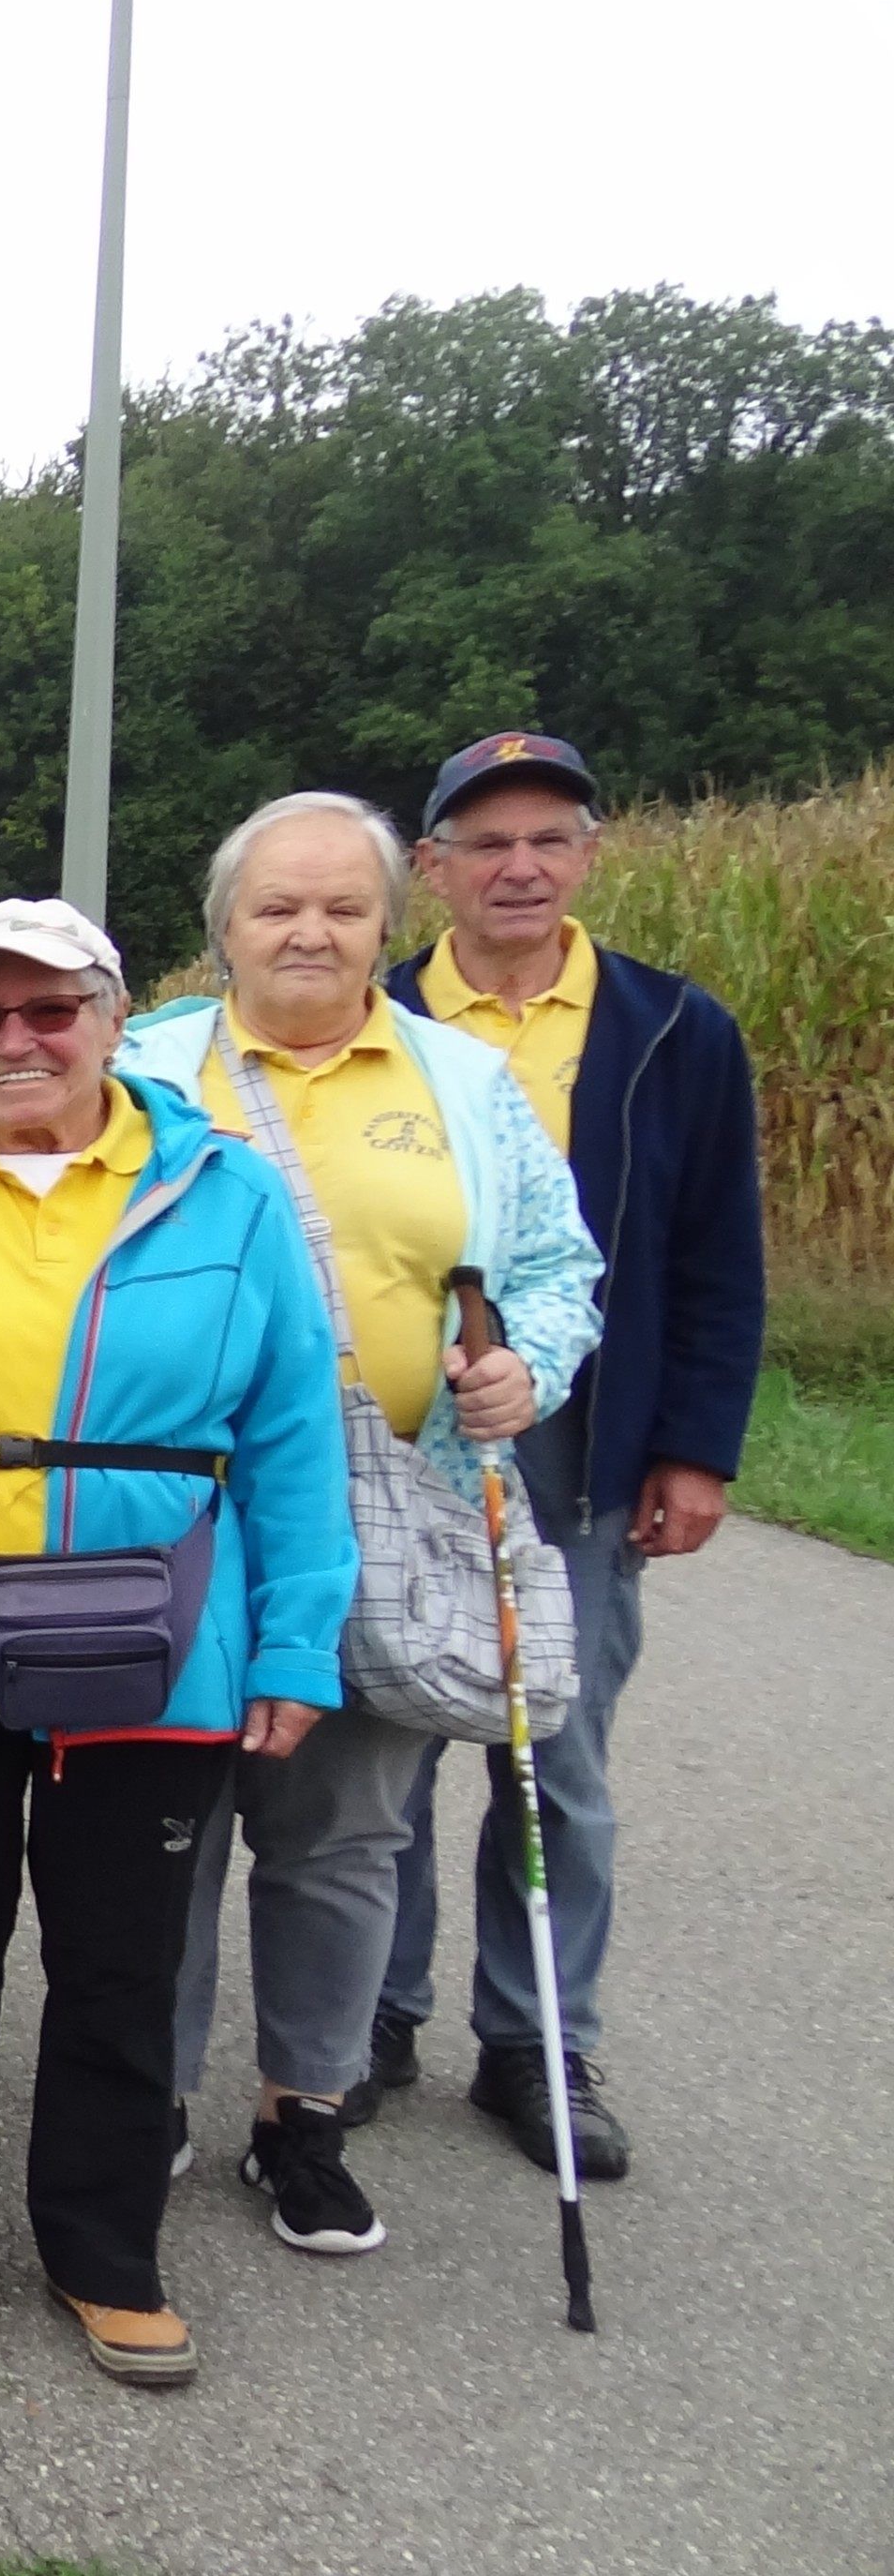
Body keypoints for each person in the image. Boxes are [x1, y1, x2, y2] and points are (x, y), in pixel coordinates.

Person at [0, 902, 353, 2387]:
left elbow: (291, 1435)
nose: (15, 1043)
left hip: (152, 1643)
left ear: (112, 1016)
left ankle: (105, 2254)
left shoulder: (223, 1198)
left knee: (118, 1966)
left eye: (51, 1012)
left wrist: (297, 1646)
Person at [123, 797, 598, 2259]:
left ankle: (303, 2117)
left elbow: (554, 1265)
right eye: (276, 909)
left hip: (397, 1509)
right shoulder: (147, 1065)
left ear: (390, 923)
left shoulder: (461, 1081)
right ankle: (144, 2103)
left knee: (340, 1837)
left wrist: (530, 1359)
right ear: (224, 929)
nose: (309, 933)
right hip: (181, 1519)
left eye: (339, 908)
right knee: (163, 1831)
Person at [370, 733, 763, 2179]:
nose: (519, 867)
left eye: (549, 839)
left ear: (591, 853)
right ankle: (373, 2013)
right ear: (434, 871)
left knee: (560, 1751)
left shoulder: (673, 1029)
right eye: (487, 844)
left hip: (588, 1438)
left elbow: (718, 1253)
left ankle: (538, 2035)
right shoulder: (380, 1012)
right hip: (403, 1443)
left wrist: (698, 1449)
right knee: (390, 1737)